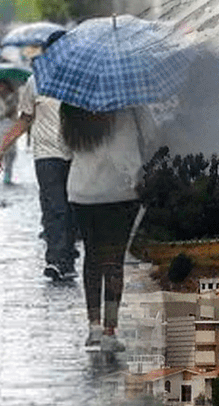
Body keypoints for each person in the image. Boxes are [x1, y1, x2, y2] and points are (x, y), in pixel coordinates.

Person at [61, 103, 155, 353]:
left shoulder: (72, 104)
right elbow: (151, 136)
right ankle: (110, 331)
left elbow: (65, 148)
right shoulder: (132, 102)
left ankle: (93, 326)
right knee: (114, 261)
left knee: (92, 257)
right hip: (121, 190)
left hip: (83, 191)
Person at [0, 32, 77, 281]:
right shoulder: (35, 81)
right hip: (46, 153)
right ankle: (55, 260)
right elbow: (25, 118)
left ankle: (68, 257)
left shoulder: (78, 80)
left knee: (69, 208)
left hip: (75, 153)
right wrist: (2, 147)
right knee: (53, 207)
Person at [0, 79, 20, 185]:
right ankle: (6, 172)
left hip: (13, 127)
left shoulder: (13, 97)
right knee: (6, 150)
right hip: (2, 128)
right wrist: (9, 110)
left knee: (13, 151)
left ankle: (8, 169)